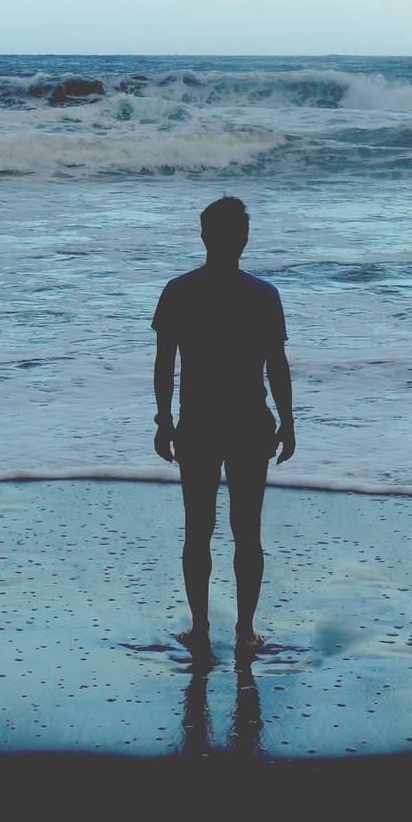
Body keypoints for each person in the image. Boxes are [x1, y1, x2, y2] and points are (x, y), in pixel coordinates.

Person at [151, 195, 295, 664]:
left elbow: (164, 364)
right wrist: (289, 421)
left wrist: (163, 420)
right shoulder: (263, 295)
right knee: (246, 532)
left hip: (198, 424)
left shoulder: (179, 290)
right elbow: (277, 366)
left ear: (204, 236)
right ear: (244, 239)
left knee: (198, 531)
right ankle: (246, 631)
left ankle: (199, 629)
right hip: (251, 423)